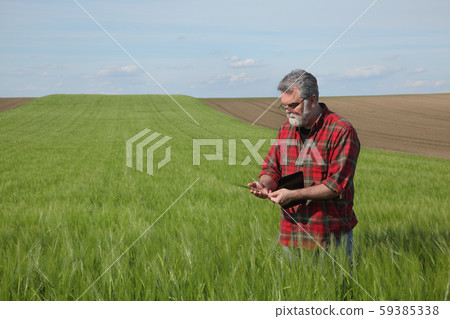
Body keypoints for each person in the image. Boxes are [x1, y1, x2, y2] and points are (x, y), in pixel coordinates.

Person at [248, 69, 360, 261]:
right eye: (284, 106)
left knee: (334, 290)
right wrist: (264, 185)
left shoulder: (341, 131)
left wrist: (293, 195)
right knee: (290, 290)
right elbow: (271, 168)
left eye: (293, 105)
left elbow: (336, 186)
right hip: (291, 234)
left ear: (313, 100)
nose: (288, 111)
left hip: (329, 235)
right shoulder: (285, 130)